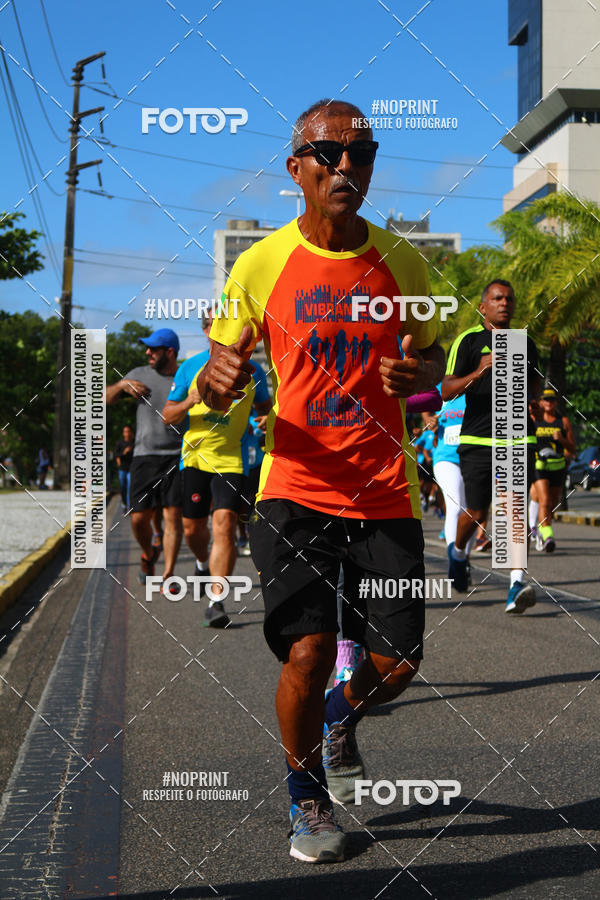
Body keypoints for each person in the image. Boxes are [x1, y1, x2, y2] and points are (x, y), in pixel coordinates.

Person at [196, 98, 444, 863]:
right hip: (295, 488)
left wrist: (422, 376)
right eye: (329, 155)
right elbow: (217, 375)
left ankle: (341, 715)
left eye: (361, 154)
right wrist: (215, 379)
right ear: (296, 168)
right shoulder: (260, 264)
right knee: (306, 651)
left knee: (397, 663)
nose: (346, 168)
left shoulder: (404, 263)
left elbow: (434, 354)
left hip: (385, 490)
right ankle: (307, 799)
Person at [163, 312, 271, 627]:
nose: (225, 330)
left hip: (232, 459)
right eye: (216, 325)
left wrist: (265, 420)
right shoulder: (190, 367)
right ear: (206, 331)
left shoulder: (254, 371)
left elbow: (265, 407)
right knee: (192, 529)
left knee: (224, 524)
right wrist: (189, 401)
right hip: (195, 458)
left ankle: (216, 600)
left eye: (231, 324)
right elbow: (167, 415)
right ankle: (201, 562)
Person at [442, 280, 542, 613]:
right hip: (478, 440)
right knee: (477, 513)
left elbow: (535, 382)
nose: (505, 303)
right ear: (483, 307)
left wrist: (532, 397)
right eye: (497, 298)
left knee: (515, 509)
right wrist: (479, 371)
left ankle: (516, 585)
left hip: (518, 438)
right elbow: (446, 390)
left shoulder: (524, 342)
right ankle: (458, 553)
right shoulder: (468, 341)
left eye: (509, 299)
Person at [105, 328, 184, 586]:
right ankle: (149, 553)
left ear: (169, 352)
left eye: (153, 349)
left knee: (173, 518)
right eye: (147, 348)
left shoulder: (185, 375)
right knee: (139, 518)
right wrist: (121, 385)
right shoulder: (138, 374)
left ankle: (169, 574)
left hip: (176, 456)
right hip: (144, 456)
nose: (148, 352)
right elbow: (105, 399)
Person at [530, 387, 575, 552]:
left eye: (552, 399)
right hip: (539, 467)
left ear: (556, 402)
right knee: (545, 501)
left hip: (558, 467)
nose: (549, 402)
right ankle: (548, 535)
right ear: (541, 402)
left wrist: (561, 439)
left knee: (552, 504)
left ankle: (542, 530)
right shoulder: (533, 419)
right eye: (546, 399)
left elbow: (572, 448)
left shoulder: (563, 421)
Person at [114, 425, 134, 511]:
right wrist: (124, 452)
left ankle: (129, 507)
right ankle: (124, 503)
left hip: (131, 469)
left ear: (131, 433)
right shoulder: (120, 443)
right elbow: (116, 455)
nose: (127, 433)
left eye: (128, 431)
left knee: (129, 487)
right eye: (125, 431)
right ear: (123, 433)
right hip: (122, 469)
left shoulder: (134, 443)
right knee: (123, 487)